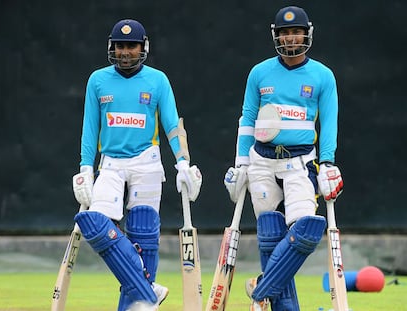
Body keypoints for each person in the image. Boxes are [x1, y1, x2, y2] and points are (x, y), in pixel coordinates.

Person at [71, 19, 202, 311]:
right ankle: (147, 290)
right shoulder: (98, 80)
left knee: (144, 235)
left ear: (143, 48)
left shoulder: (157, 80)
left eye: (131, 46)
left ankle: (136, 302)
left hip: (147, 162)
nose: (126, 51)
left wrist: (183, 162)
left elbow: (172, 124)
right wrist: (85, 168)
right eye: (120, 46)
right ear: (111, 47)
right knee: (94, 224)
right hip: (111, 164)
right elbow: (90, 128)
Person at [223, 6, 343, 311]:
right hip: (261, 161)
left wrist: (327, 162)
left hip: (301, 163)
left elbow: (328, 122)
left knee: (306, 229)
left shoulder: (322, 75)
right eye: (285, 32)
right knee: (270, 236)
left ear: (307, 34)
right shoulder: (260, 72)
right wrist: (241, 163)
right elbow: (248, 118)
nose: (291, 38)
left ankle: (260, 289)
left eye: (296, 32)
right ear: (277, 36)